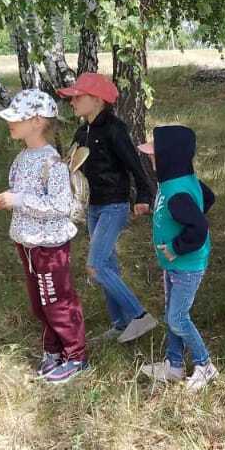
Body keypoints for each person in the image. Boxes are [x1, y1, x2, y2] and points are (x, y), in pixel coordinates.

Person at [0, 89, 88, 385]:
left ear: (35, 122)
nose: (10, 123)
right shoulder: (22, 159)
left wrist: (17, 200)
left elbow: (60, 207)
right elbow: (21, 195)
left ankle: (76, 356)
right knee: (40, 302)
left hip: (49, 247)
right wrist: (8, 201)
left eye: (15, 119)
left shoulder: (52, 164)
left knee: (57, 300)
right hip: (28, 243)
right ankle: (53, 350)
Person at [57, 73, 157, 344]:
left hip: (114, 204)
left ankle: (139, 316)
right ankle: (119, 323)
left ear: (98, 100)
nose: (73, 102)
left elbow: (135, 166)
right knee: (109, 264)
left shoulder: (115, 129)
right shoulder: (81, 132)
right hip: (93, 206)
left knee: (96, 266)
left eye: (78, 97)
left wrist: (144, 195)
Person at [136, 125, 221, 391]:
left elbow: (199, 227)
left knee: (178, 318)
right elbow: (208, 197)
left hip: (186, 265)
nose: (150, 159)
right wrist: (164, 214)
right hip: (173, 266)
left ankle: (205, 365)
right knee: (172, 313)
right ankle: (173, 365)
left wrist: (176, 246)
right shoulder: (177, 182)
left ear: (168, 158)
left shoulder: (177, 193)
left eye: (154, 155)